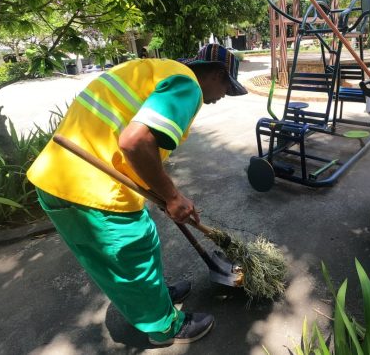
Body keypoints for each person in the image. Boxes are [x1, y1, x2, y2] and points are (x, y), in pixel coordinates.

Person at [27, 44, 247, 346]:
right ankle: (165, 327)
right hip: (90, 186)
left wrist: (163, 194)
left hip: (59, 176)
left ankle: (157, 297)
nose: (223, 96)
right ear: (217, 74)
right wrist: (172, 196)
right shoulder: (187, 85)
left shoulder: (154, 71)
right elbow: (135, 141)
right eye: (227, 88)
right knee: (133, 259)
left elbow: (130, 138)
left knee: (142, 244)